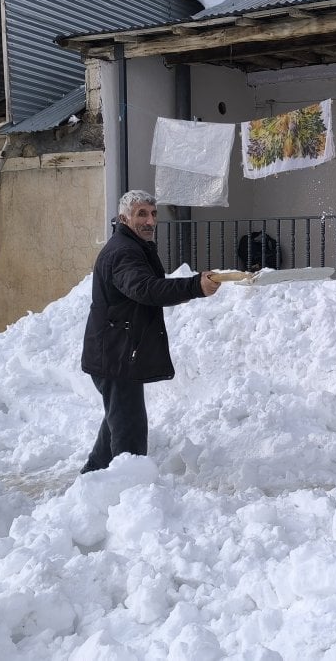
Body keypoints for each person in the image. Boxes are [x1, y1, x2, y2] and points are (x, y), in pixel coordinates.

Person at [79, 190, 220, 473]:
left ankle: (92, 479)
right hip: (116, 353)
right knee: (128, 427)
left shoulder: (132, 247)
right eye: (141, 213)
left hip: (117, 350)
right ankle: (128, 492)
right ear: (123, 218)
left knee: (117, 420)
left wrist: (191, 289)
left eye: (153, 214)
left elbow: (143, 290)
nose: (150, 220)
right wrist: (194, 287)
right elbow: (144, 289)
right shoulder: (123, 252)